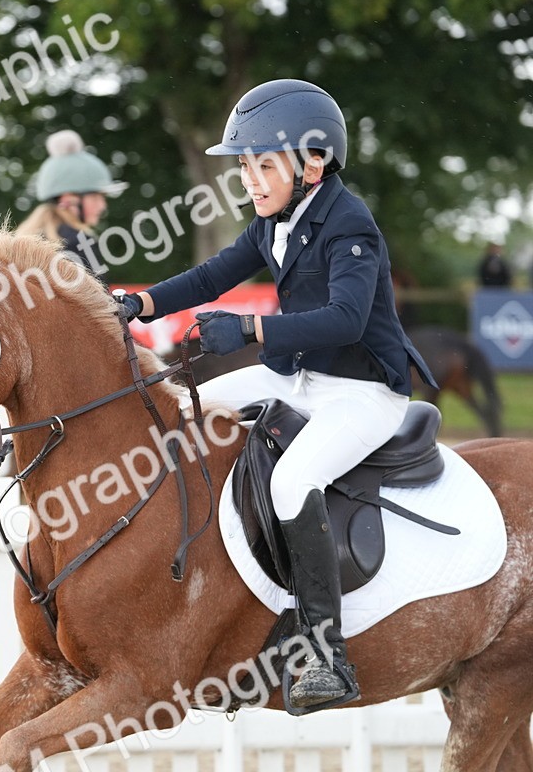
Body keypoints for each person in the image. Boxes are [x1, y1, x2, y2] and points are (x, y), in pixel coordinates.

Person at [119, 80, 436, 712]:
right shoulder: (275, 221)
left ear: (313, 162)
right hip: (300, 378)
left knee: (293, 481)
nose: (251, 180)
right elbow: (213, 275)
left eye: (264, 164)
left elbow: (346, 319)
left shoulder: (351, 224)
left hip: (364, 393)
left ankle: (325, 652)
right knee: (185, 405)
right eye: (244, 167)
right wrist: (140, 302)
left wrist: (251, 328)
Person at [16, 129, 128, 283]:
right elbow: (99, 305)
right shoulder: (77, 242)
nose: (102, 206)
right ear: (69, 198)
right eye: (95, 196)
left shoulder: (26, 241)